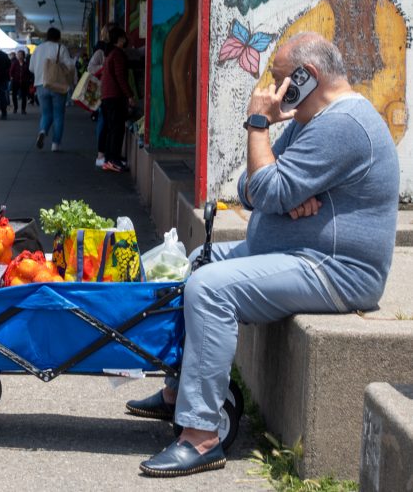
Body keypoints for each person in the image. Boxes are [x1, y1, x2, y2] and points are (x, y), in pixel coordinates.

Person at [132, 32, 399, 478]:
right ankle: (181, 392)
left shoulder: (344, 125)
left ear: (306, 76)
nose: (272, 93)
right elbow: (248, 186)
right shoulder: (311, 120)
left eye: (279, 80)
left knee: (210, 288)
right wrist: (274, 190)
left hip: (335, 271)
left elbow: (264, 186)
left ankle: (201, 436)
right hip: (296, 252)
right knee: (198, 260)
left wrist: (259, 126)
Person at [29, 27, 75, 151]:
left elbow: (31, 68)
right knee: (58, 115)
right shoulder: (61, 48)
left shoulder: (38, 49)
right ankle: (55, 144)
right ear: (58, 37)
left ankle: (43, 130)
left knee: (46, 113)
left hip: (40, 85)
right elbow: (70, 66)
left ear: (47, 36)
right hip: (57, 85)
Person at [97, 27, 134, 172]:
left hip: (107, 96)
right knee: (116, 129)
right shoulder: (117, 54)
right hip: (114, 97)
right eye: (124, 37)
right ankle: (114, 160)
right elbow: (120, 77)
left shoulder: (110, 53)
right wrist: (129, 95)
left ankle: (110, 159)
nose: (126, 39)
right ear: (120, 39)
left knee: (112, 129)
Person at [9, 49, 29, 114]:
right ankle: (15, 108)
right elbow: (11, 71)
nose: (20, 56)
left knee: (24, 96)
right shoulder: (15, 63)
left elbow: (29, 72)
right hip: (15, 81)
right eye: (18, 55)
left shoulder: (26, 63)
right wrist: (12, 77)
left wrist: (28, 79)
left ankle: (23, 109)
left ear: (23, 56)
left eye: (21, 55)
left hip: (24, 82)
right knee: (14, 95)